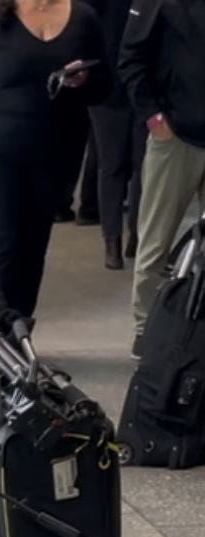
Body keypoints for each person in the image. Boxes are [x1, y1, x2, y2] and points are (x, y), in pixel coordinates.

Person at [0, 0, 109, 317]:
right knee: (2, 245)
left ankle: (18, 332)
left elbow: (105, 88)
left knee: (34, 247)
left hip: (57, 153)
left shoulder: (83, 18)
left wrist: (84, 81)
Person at [118, 0, 205, 355]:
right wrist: (154, 118)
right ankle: (146, 332)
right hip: (175, 138)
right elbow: (130, 58)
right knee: (155, 242)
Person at [86, 0, 144, 270]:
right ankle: (113, 239)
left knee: (143, 165)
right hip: (107, 84)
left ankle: (136, 233)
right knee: (112, 164)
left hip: (143, 82)